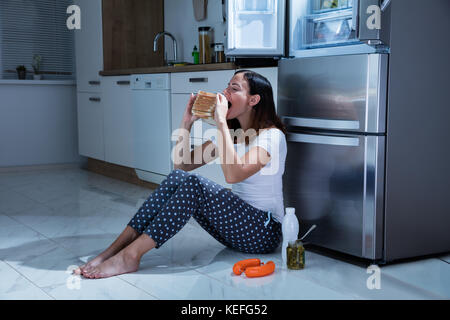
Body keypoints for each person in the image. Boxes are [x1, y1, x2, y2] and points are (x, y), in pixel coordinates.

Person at [74, 70, 287, 279]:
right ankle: (112, 252)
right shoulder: (231, 135)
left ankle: (131, 255)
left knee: (195, 185)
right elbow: (182, 165)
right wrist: (187, 123)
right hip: (236, 230)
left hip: (264, 232)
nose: (225, 92)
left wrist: (221, 122)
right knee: (180, 179)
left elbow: (233, 175)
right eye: (226, 86)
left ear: (254, 99)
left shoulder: (272, 136)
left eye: (234, 88)